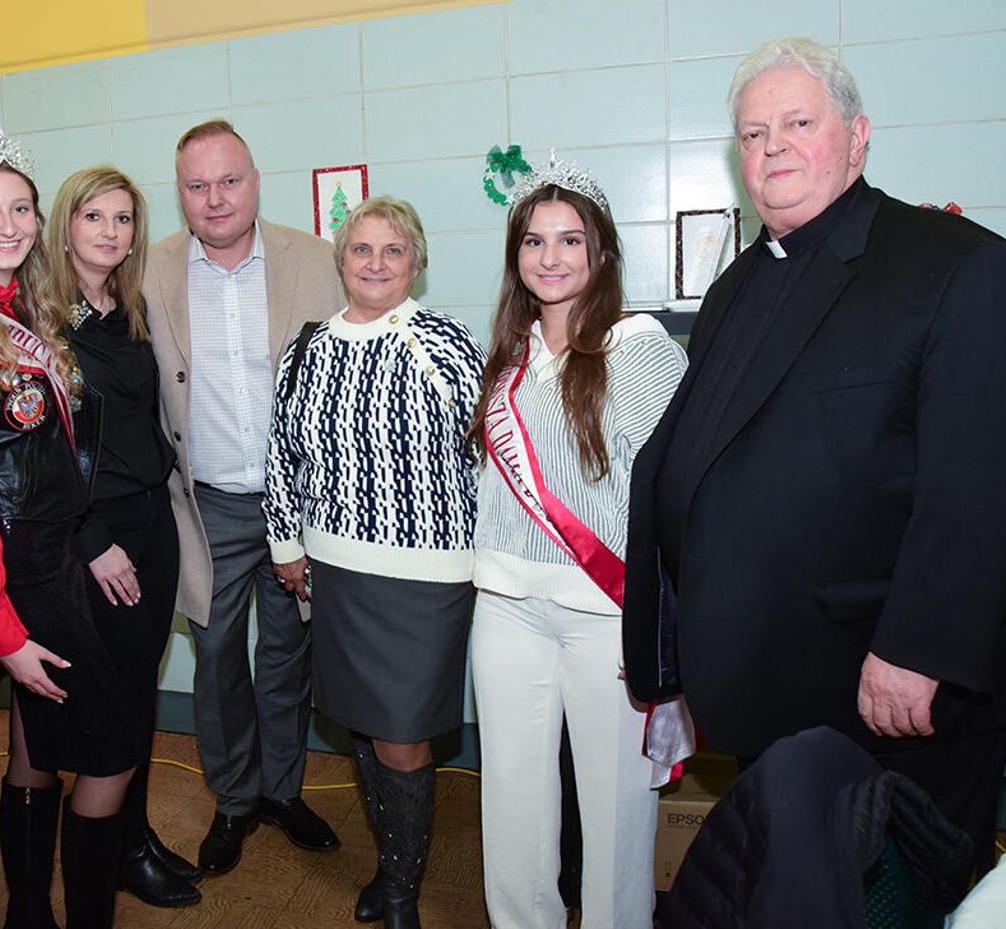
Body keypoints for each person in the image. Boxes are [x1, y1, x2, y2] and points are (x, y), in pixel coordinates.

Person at [622, 36, 1006, 878]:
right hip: (775, 689)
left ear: (857, 136)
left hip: (889, 695)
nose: (773, 146)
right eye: (754, 133)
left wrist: (920, 649)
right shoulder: (737, 286)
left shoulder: (958, 267)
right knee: (793, 889)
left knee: (890, 900)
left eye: (798, 123)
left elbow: (986, 485)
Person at [0, 130, 137, 929]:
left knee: (36, 750)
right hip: (22, 578)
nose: (7, 225)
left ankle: (30, 914)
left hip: (51, 559)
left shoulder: (18, 308)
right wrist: (0, 625)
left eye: (20, 209)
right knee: (112, 753)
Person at [468, 161, 687, 929]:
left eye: (570, 239)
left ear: (602, 251)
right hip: (505, 607)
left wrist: (659, 623)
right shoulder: (508, 357)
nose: (551, 256)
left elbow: (678, 493)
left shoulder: (637, 348)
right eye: (534, 240)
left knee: (615, 810)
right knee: (512, 800)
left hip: (607, 614)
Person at [265, 196, 486, 929]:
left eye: (394, 250)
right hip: (335, 570)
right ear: (341, 260)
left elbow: (490, 454)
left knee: (402, 734)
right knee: (363, 723)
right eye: (362, 249)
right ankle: (393, 867)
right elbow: (281, 455)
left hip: (428, 576)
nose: (377, 263)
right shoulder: (307, 348)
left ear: (417, 262)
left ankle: (400, 896)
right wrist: (286, 544)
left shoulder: (447, 342)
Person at [144, 119, 344, 875]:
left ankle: (283, 791)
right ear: (181, 193)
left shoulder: (317, 259)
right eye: (197, 186)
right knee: (218, 656)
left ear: (255, 181)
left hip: (302, 502)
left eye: (229, 181)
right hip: (207, 505)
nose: (215, 198)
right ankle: (234, 800)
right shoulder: (149, 271)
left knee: (288, 652)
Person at [46, 165, 201, 908]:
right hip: (96, 535)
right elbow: (44, 448)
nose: (111, 232)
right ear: (66, 226)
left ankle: (131, 838)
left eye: (124, 218)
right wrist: (91, 536)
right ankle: (114, 855)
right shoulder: (47, 321)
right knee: (109, 711)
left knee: (138, 692)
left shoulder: (128, 308)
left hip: (151, 522)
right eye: (94, 217)